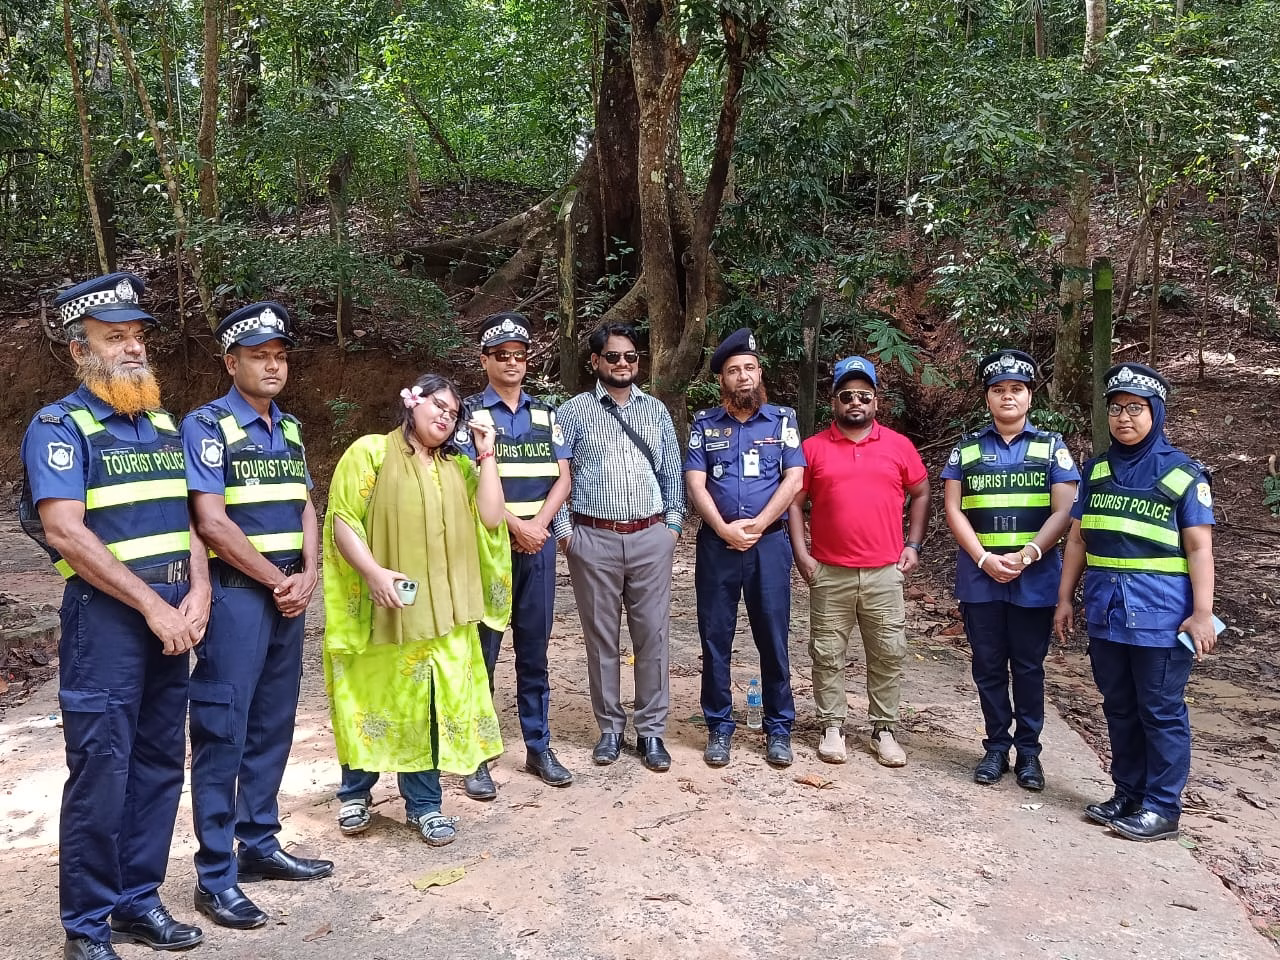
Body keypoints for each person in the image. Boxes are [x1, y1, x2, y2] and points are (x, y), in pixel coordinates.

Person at [19, 272, 208, 960]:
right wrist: (156, 605)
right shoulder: (61, 427)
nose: (132, 350)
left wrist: (199, 594)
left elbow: (189, 520)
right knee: (104, 768)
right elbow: (67, 532)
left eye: (137, 338)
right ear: (80, 350)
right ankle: (88, 928)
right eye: (114, 338)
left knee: (160, 763)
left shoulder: (159, 422)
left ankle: (136, 902)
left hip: (172, 616)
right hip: (109, 622)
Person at [181, 302, 332, 931]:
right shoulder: (208, 426)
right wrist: (279, 581)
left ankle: (260, 844)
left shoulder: (289, 429)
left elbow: (305, 506)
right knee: (223, 731)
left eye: (280, 356)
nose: (273, 366)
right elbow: (210, 521)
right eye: (259, 356)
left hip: (286, 595)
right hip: (241, 595)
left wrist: (311, 575)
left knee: (274, 722)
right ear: (231, 362)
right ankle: (216, 875)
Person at [322, 374, 510, 847]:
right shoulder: (371, 452)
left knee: (428, 705)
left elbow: (490, 517)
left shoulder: (460, 468)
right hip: (384, 607)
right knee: (370, 699)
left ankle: (425, 806)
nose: (446, 416)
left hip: (441, 616)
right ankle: (355, 793)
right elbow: (343, 517)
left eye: (455, 413)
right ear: (411, 402)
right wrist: (371, 573)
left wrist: (486, 454)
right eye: (438, 406)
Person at [1055, 362, 1217, 842]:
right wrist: (1065, 598)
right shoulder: (1098, 470)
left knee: (1161, 709)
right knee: (1119, 705)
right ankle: (1127, 792)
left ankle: (1162, 807)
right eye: (1117, 408)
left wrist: (1203, 612)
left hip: (1162, 616)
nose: (1124, 418)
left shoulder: (1182, 473)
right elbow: (1079, 541)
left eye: (1136, 409)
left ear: (1156, 413)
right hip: (1106, 612)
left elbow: (1199, 547)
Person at [941, 350, 1079, 790]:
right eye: (998, 390)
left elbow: (1064, 510)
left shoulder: (1052, 447)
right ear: (987, 399)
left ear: (1029, 397)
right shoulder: (967, 449)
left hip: (1034, 578)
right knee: (987, 664)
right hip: (980, 576)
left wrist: (1029, 555)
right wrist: (983, 557)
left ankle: (1030, 755)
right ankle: (996, 747)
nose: (1007, 397)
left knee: (1028, 667)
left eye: (1016, 389)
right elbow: (952, 508)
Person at [552, 324, 685, 772]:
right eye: (613, 357)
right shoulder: (571, 413)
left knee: (653, 636)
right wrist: (566, 534)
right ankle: (610, 727)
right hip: (593, 539)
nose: (623, 364)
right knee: (601, 638)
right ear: (596, 362)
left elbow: (672, 473)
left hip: (650, 537)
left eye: (630, 356)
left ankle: (651, 732)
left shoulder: (656, 412)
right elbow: (557, 480)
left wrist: (671, 528)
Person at [787, 356, 929, 767]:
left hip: (885, 571)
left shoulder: (899, 446)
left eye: (863, 396)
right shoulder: (811, 450)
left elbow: (921, 493)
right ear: (834, 401)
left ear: (875, 402)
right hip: (829, 572)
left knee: (887, 651)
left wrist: (914, 544)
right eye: (846, 395)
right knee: (827, 652)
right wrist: (802, 554)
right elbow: (794, 503)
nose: (855, 402)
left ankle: (884, 728)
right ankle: (832, 726)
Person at [456, 312, 573, 798]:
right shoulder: (469, 413)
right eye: (501, 356)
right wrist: (517, 527)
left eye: (519, 355)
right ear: (484, 361)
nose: (511, 363)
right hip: (488, 549)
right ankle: (479, 754)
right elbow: (468, 482)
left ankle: (538, 744)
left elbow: (563, 477)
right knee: (483, 650)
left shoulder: (547, 412)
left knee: (535, 649)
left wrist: (539, 526)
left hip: (537, 548)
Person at [685, 328, 805, 768]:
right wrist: (722, 528)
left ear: (759, 372)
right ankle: (719, 725)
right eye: (734, 371)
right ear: (723, 380)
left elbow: (794, 479)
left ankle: (778, 727)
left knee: (772, 637)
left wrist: (758, 523)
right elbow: (695, 483)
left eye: (749, 368)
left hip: (768, 547)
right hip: (718, 547)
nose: (743, 377)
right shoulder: (704, 425)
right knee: (715, 637)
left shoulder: (782, 421)